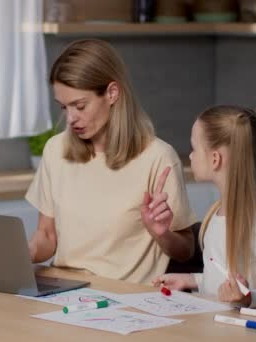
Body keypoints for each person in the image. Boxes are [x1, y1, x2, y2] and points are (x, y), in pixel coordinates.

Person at [26, 39, 196, 284]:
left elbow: (185, 250)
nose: (71, 118)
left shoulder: (157, 157)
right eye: (64, 107)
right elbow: (47, 235)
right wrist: (25, 253)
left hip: (124, 299)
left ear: (112, 93)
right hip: (62, 290)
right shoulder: (56, 150)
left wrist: (161, 234)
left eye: (80, 105)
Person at [152, 105, 256, 308]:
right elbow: (219, 276)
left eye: (194, 148)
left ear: (215, 159)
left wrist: (248, 298)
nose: (190, 156)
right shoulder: (216, 213)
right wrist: (190, 280)